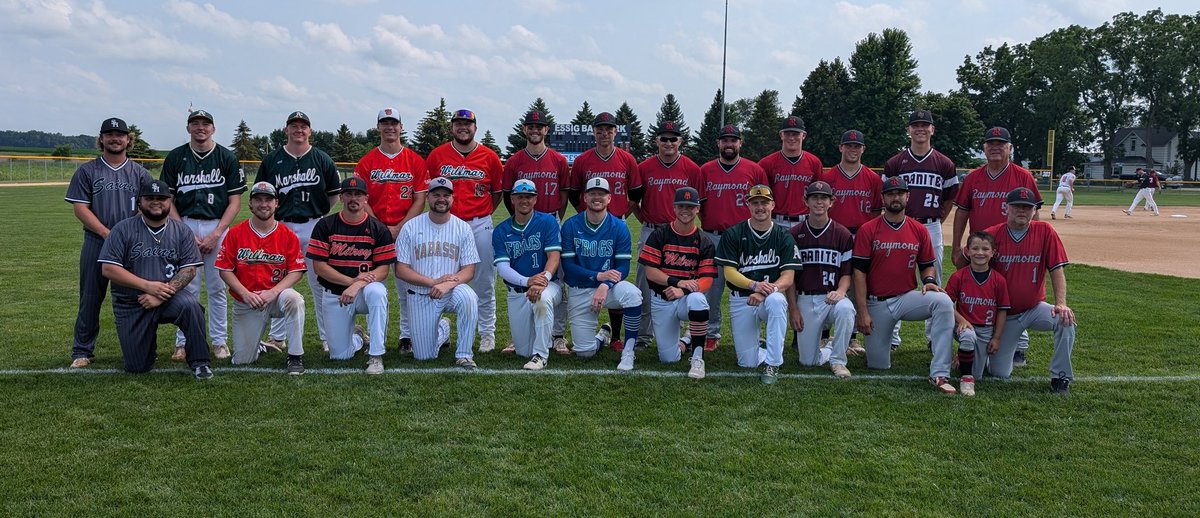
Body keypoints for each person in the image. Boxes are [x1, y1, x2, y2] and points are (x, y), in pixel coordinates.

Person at [97, 180, 213, 379]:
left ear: (170, 201)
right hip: (132, 302)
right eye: (149, 198)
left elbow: (189, 270)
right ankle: (145, 348)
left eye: (161, 198)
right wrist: (148, 287)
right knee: (138, 366)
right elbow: (108, 268)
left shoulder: (181, 230)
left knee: (191, 306)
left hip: (168, 297)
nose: (155, 202)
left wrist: (162, 294)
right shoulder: (122, 229)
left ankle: (200, 362)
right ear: (139, 202)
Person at [852, 177, 957, 394]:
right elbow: (859, 273)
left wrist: (928, 281)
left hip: (906, 298)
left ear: (908, 197)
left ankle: (939, 372)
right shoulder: (868, 229)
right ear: (883, 198)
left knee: (942, 301)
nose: (896, 197)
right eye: (891, 193)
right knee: (878, 364)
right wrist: (862, 312)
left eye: (900, 193)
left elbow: (928, 265)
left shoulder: (918, 229)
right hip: (876, 303)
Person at [65, 117, 153, 368]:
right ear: (101, 139)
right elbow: (80, 208)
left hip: (131, 245)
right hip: (96, 241)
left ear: (128, 140)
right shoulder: (87, 170)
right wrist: (106, 233)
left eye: (120, 134)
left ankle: (138, 346)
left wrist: (125, 234)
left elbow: (148, 206)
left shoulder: (139, 172)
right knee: (91, 296)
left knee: (133, 297)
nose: (115, 138)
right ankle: (82, 350)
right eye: (110, 134)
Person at [160, 109, 247, 361]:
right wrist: (183, 230)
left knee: (218, 287)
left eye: (205, 124)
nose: (201, 127)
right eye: (195, 123)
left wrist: (216, 233)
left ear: (213, 128)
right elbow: (168, 199)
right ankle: (183, 342)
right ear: (188, 128)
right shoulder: (176, 157)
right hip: (183, 224)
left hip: (217, 226)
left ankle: (220, 341)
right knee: (185, 287)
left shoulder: (226, 157)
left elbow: (234, 202)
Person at [950, 126, 1040, 366]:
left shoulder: (1022, 176)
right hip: (980, 248)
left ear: (1010, 148)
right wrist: (957, 247)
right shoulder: (973, 177)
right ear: (984, 148)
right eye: (991, 143)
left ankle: (1019, 344)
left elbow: (1034, 214)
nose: (995, 147)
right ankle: (967, 343)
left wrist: (1032, 244)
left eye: (1001, 143)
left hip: (1013, 246)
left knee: (1011, 293)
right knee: (973, 293)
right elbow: (962, 212)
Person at [255, 111, 342, 352]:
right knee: (279, 280)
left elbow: (333, 194)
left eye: (303, 126)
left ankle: (328, 336)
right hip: (280, 225)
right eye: (294, 126)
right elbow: (259, 192)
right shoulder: (272, 159)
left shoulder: (321, 158)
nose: (299, 130)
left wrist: (319, 212)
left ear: (310, 131)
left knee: (321, 282)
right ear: (286, 130)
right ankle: (277, 337)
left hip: (314, 224)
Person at [985, 187, 1076, 395]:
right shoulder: (992, 234)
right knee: (1000, 373)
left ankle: (1060, 377)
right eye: (1017, 206)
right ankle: (1001, 350)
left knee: (1065, 320)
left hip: (1034, 308)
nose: (1022, 211)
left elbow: (1056, 270)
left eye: (1027, 207)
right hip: (1004, 316)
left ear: (1034, 210)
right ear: (1006, 208)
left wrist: (1061, 303)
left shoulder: (1045, 231)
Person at [425, 109, 503, 353]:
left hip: (480, 223)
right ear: (452, 128)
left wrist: (483, 212)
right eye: (458, 123)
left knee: (484, 281)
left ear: (475, 128)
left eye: (467, 124)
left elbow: (497, 193)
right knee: (442, 276)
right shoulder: (437, 155)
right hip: (447, 224)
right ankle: (439, 328)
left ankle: (487, 332)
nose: (463, 127)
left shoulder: (490, 157)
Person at [883, 110, 959, 350]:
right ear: (908, 130)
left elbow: (948, 199)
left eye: (925, 125)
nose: (920, 129)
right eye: (915, 125)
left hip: (929, 225)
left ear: (932, 130)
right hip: (900, 225)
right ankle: (892, 337)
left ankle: (933, 336)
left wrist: (935, 220)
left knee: (933, 280)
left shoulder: (944, 163)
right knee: (894, 278)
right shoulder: (895, 162)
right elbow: (886, 196)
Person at [354, 107, 428, 355]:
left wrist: (401, 227)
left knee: (407, 286)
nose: (389, 128)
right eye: (384, 123)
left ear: (401, 126)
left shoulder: (415, 160)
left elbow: (420, 199)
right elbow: (363, 200)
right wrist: (381, 227)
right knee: (373, 286)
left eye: (393, 123)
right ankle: (376, 337)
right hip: (373, 232)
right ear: (378, 128)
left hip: (407, 231)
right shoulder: (367, 161)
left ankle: (406, 335)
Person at [567, 111, 643, 351]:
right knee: (591, 268)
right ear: (594, 132)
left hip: (614, 220)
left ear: (615, 132)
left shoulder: (627, 159)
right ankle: (600, 334)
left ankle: (617, 335)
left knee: (617, 278)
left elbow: (637, 193)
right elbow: (573, 192)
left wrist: (619, 217)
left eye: (608, 130)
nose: (604, 134)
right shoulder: (582, 160)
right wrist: (586, 215)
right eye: (599, 129)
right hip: (586, 222)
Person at [215, 181, 308, 374]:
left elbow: (296, 271)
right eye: (258, 200)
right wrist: (245, 293)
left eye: (268, 200)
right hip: (246, 300)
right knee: (242, 361)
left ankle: (295, 357)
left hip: (276, 298)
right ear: (250, 204)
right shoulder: (235, 233)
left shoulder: (288, 235)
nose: (263, 204)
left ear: (276, 204)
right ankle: (259, 345)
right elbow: (224, 269)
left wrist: (272, 293)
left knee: (294, 299)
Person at [501, 109, 572, 355]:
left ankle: (558, 334)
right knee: (522, 273)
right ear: (524, 130)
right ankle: (519, 333)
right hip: (522, 225)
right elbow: (507, 195)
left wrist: (555, 220)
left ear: (546, 130)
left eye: (539, 127)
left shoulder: (559, 160)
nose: (534, 130)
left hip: (551, 221)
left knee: (557, 279)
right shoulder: (514, 161)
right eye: (530, 127)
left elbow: (564, 193)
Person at [307, 177, 395, 374]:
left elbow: (383, 270)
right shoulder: (326, 225)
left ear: (366, 199)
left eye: (358, 194)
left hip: (365, 293)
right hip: (336, 295)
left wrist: (356, 286)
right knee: (339, 356)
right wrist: (349, 283)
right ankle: (356, 337)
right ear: (341, 197)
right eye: (348, 194)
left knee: (378, 292)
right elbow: (319, 267)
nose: (353, 198)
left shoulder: (378, 228)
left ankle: (375, 355)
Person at [714, 185, 799, 384]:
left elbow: (788, 277)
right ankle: (760, 348)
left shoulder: (783, 236)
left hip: (768, 297)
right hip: (742, 299)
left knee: (777, 301)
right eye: (755, 203)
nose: (760, 207)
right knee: (747, 363)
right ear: (748, 206)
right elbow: (730, 273)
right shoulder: (734, 233)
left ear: (773, 205)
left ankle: (773, 363)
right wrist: (755, 286)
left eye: (764, 203)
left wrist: (765, 291)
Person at [395, 177, 479, 369]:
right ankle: (443, 328)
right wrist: (433, 282)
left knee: (469, 298)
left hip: (451, 290)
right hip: (420, 293)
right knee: (424, 357)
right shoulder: (410, 227)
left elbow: (469, 269)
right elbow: (401, 270)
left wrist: (447, 284)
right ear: (427, 197)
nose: (441, 199)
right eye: (436, 195)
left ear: (453, 198)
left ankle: (464, 354)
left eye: (446, 195)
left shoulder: (462, 228)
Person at [698, 124, 768, 352]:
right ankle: (711, 332)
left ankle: (753, 334)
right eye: (725, 140)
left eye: (733, 140)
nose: (729, 144)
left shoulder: (754, 169)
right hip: (714, 237)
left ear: (740, 143)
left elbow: (763, 205)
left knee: (750, 287)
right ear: (718, 143)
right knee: (712, 288)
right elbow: (699, 205)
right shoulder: (706, 170)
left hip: (746, 237)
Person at [560, 178, 643, 368]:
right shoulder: (571, 225)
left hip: (608, 288)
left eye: (602, 193)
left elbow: (623, 267)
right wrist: (598, 277)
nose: (597, 197)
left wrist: (605, 285)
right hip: (580, 289)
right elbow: (568, 266)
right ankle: (602, 336)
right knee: (584, 353)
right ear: (584, 197)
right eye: (592, 193)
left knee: (633, 294)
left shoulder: (619, 226)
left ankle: (628, 351)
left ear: (609, 198)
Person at [634, 121, 702, 351]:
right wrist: (644, 217)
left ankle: (692, 333)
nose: (669, 143)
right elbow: (634, 200)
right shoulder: (644, 167)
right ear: (657, 141)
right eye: (664, 138)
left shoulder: (692, 168)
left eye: (673, 138)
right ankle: (643, 336)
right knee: (644, 284)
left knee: (691, 282)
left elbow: (698, 204)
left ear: (680, 141)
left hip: (681, 233)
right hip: (652, 229)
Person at [637, 186, 715, 379]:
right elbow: (650, 272)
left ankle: (698, 357)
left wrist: (684, 291)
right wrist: (677, 282)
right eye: (681, 206)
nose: (685, 210)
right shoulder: (660, 234)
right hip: (661, 298)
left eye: (690, 206)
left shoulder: (704, 240)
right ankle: (686, 340)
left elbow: (707, 280)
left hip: (685, 300)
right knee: (668, 359)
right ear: (674, 208)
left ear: (698, 209)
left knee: (698, 299)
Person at [786, 181, 856, 378]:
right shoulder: (794, 234)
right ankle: (832, 346)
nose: (819, 202)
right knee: (807, 361)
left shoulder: (842, 233)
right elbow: (790, 277)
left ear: (831, 202)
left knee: (846, 309)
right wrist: (793, 309)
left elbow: (846, 274)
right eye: (814, 197)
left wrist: (841, 292)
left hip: (831, 297)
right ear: (805, 201)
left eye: (824, 198)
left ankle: (838, 361)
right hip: (805, 298)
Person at [492, 179, 562, 370]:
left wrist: (542, 281)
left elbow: (554, 257)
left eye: (529, 196)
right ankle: (540, 341)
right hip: (517, 290)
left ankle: (541, 355)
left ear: (535, 199)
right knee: (523, 350)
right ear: (512, 199)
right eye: (520, 196)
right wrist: (528, 281)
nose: (525, 200)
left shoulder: (547, 221)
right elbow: (503, 268)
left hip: (548, 285)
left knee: (542, 300)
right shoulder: (501, 230)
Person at [823, 129, 882, 355]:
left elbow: (876, 213)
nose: (852, 149)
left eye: (857, 146)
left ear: (863, 149)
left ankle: (851, 337)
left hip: (862, 236)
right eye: (848, 145)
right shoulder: (828, 178)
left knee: (859, 285)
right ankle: (824, 335)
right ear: (841, 148)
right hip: (835, 235)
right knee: (829, 282)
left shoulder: (873, 179)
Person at [945, 231, 1009, 397]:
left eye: (985, 249)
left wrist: (996, 337)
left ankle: (964, 356)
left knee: (979, 373)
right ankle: (967, 380)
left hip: (986, 330)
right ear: (967, 251)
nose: (980, 253)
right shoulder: (958, 276)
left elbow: (1002, 310)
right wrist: (962, 320)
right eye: (975, 248)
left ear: (993, 252)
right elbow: (946, 304)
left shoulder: (999, 280)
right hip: (964, 326)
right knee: (967, 337)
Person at [758, 115, 824, 228]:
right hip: (776, 220)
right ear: (781, 135)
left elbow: (819, 194)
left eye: (795, 134)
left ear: (803, 135)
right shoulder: (766, 163)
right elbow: (760, 197)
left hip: (805, 221)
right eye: (787, 134)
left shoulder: (814, 162)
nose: (791, 138)